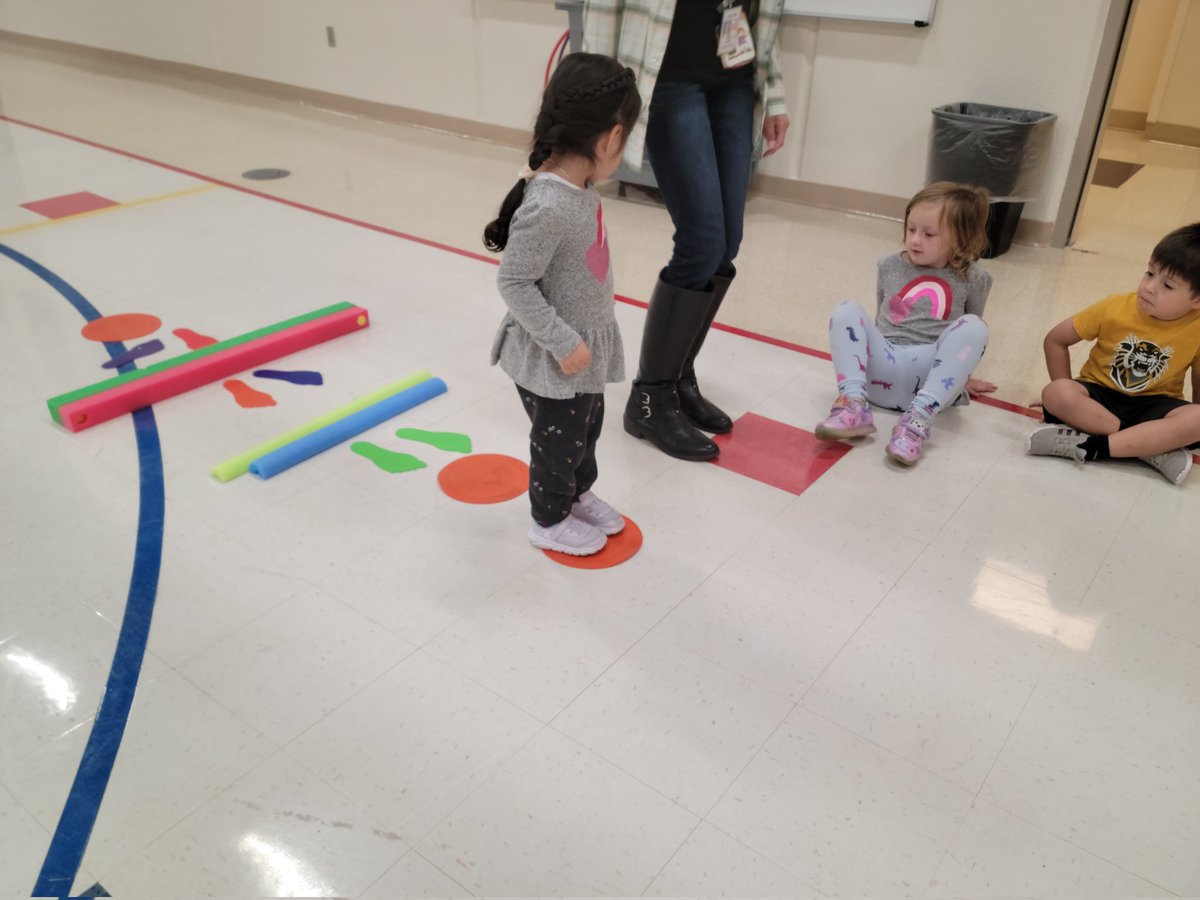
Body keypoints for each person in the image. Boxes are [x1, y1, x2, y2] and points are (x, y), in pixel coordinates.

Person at [583, 0, 790, 461]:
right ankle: (649, 401)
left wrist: (773, 95)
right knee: (701, 241)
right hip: (667, 78)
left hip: (736, 78)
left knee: (726, 244)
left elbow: (765, 17)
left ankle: (677, 378)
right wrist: (598, 96)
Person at [483, 53, 642, 555]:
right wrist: (563, 341)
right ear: (611, 138)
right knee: (558, 442)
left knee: (585, 429)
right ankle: (548, 520)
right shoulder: (550, 205)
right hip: (553, 357)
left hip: (578, 351)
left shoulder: (579, 190)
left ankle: (575, 494)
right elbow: (514, 282)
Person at [813, 182, 996, 465]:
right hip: (879, 374)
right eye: (911, 229)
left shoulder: (976, 279)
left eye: (929, 234)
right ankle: (852, 403)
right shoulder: (888, 265)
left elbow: (967, 338)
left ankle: (915, 425)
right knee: (846, 310)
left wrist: (961, 376)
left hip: (928, 381)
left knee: (975, 326)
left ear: (960, 239)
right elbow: (877, 320)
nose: (915, 240)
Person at [1026, 222, 1200, 486]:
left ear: (1197, 301)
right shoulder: (1115, 306)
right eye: (1149, 273)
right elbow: (1055, 340)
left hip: (1155, 405)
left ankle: (1092, 445)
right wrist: (1065, 388)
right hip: (1099, 396)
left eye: (1168, 285)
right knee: (1056, 392)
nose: (1150, 287)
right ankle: (1148, 448)